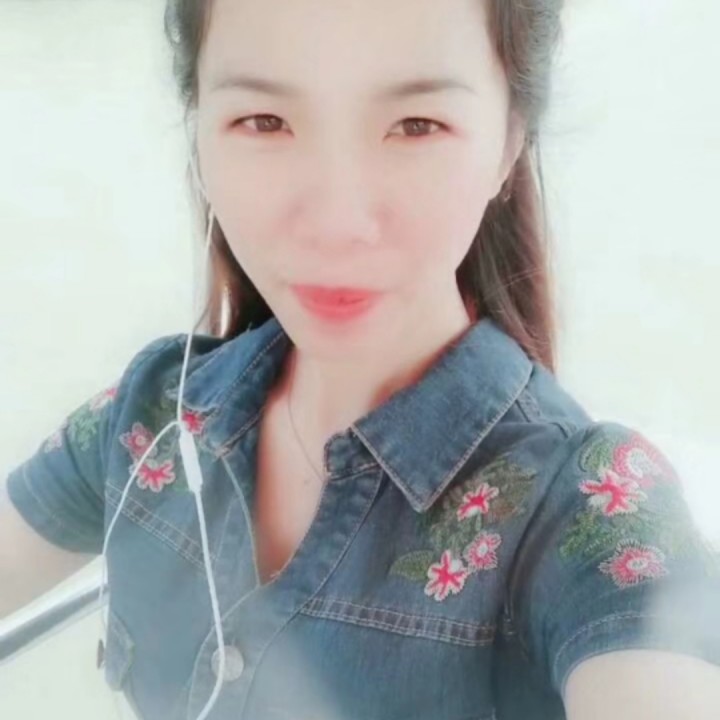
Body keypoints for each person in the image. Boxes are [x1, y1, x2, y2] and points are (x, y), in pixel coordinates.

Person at [2, 0, 719, 718]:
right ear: (199, 130)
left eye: (417, 125)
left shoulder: (579, 511)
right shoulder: (151, 417)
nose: (337, 224)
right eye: (265, 121)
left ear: (509, 140)